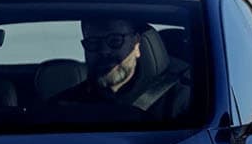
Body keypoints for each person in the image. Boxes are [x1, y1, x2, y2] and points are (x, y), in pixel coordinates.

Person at [52, 16, 192, 118]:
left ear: (137, 44)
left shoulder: (184, 103)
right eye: (93, 42)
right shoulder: (62, 109)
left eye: (115, 41)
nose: (104, 51)